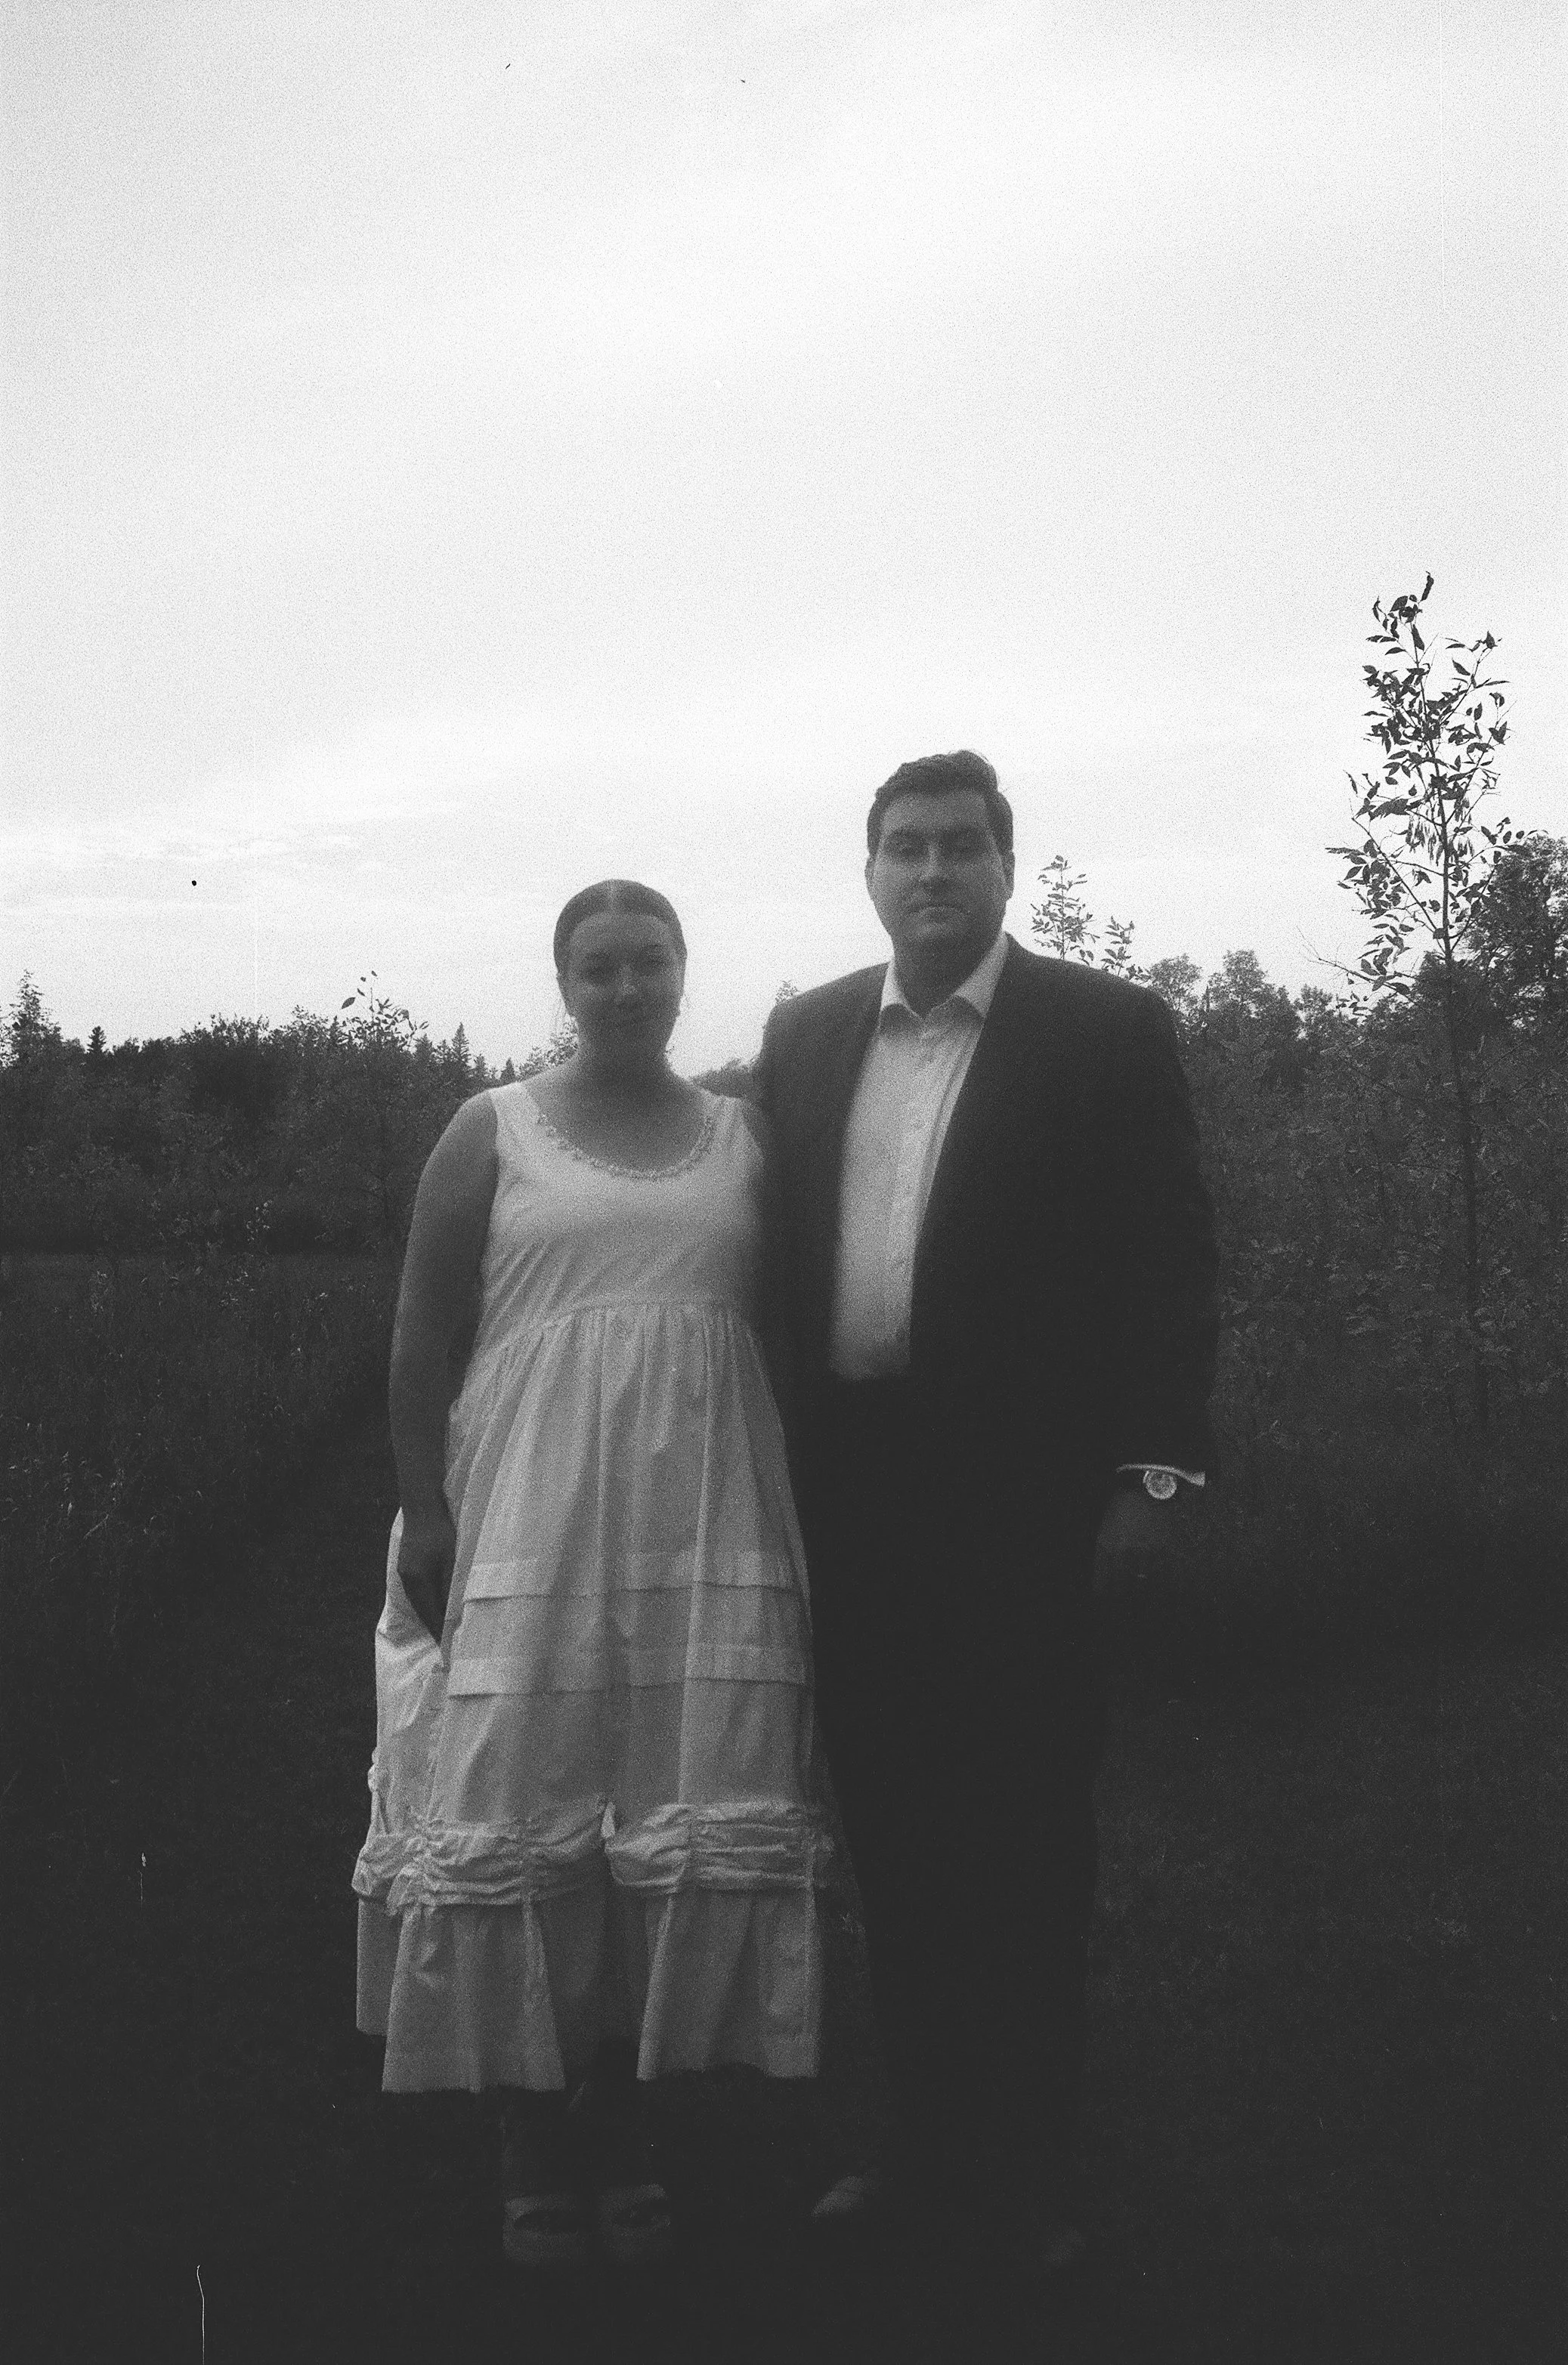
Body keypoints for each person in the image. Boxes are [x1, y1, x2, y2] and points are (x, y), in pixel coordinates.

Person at [752, 751, 1218, 2273]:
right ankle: (915, 2145)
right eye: (905, 848)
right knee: (889, 1828)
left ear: (1006, 868)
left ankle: (1023, 2172)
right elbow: (768, 1262)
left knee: (1020, 1836)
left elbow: (1165, 1263)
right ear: (868, 872)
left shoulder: (1101, 1031)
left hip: (1022, 1506)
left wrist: (1148, 1479)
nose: (932, 871)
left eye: (961, 846)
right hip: (855, 1499)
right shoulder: (808, 1033)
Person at [353, 880, 827, 2272]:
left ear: (685, 974)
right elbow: (418, 1337)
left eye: (650, 962)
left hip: (699, 1518)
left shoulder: (747, 1141)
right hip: (526, 1516)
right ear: (564, 982)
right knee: (524, 1789)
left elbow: (784, 1335)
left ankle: (622, 2118)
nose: (626, 986)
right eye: (599, 966)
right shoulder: (488, 1131)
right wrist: (424, 1511)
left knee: (668, 1788)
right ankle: (528, 2130)